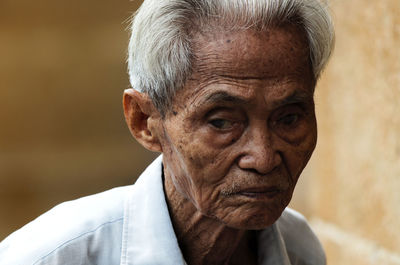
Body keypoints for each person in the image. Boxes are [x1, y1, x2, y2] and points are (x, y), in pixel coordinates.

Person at [0, 0, 335, 264]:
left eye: (289, 118)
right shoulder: (49, 257)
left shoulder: (298, 248)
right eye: (221, 122)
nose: (263, 158)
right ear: (145, 121)